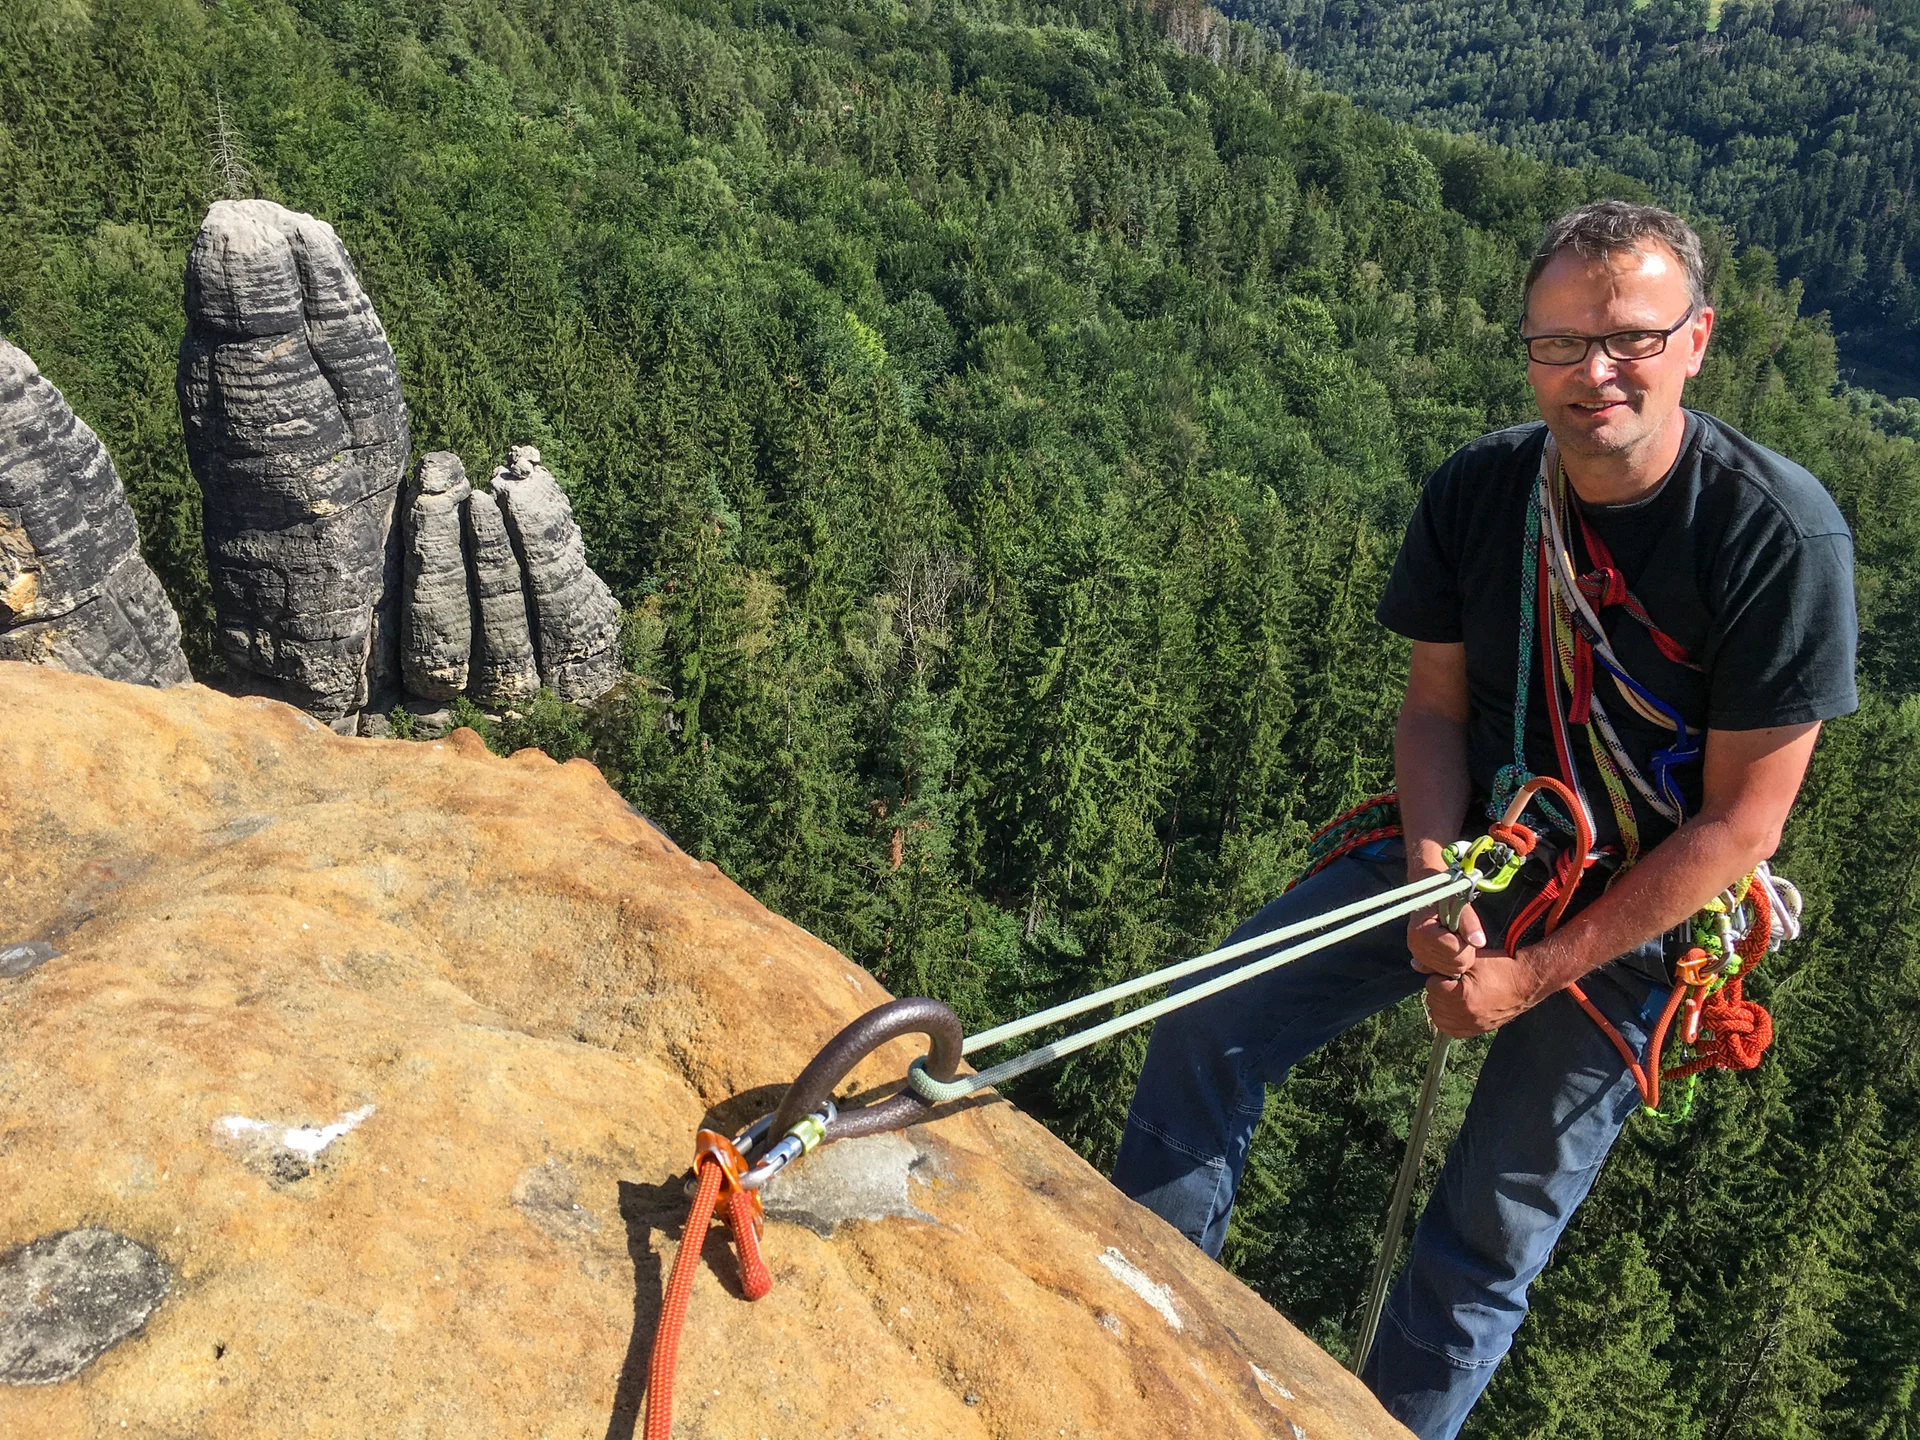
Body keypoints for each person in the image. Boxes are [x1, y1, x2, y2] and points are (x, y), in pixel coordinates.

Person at [1110, 201, 1858, 1439]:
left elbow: (1736, 830)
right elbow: (1436, 712)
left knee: (1483, 1236)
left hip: (1646, 901)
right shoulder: (1484, 490)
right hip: (1488, 837)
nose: (1591, 374)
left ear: (1698, 339)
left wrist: (1528, 979)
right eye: (1557, 343)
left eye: (1628, 338)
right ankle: (1134, 1340)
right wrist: (1429, 876)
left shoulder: (1777, 538)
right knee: (1209, 1022)